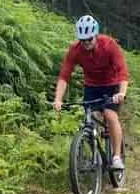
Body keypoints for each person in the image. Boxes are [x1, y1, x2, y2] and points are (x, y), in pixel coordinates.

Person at [53, 15, 128, 170]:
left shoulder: (109, 45)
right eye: (82, 40)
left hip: (112, 85)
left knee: (110, 115)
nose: (86, 43)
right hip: (92, 86)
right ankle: (94, 153)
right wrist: (58, 99)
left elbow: (122, 72)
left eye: (89, 39)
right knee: (90, 118)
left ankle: (116, 157)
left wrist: (121, 93)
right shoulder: (75, 50)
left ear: (95, 35)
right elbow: (64, 76)